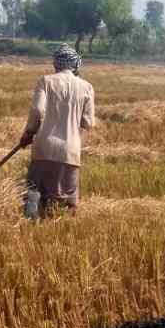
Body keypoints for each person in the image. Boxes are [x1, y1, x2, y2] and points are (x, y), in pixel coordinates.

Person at [19, 44, 96, 216]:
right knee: (69, 202)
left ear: (56, 65)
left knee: (34, 196)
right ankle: (66, 231)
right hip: (70, 151)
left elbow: (38, 111)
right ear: (76, 66)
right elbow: (88, 123)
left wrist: (29, 133)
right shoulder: (87, 87)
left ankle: (31, 226)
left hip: (43, 148)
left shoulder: (46, 81)